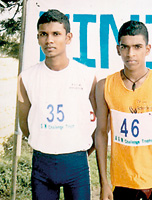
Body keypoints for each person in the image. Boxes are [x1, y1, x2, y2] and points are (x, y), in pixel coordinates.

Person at [18, 9, 97, 199]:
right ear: (37, 38)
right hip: (42, 162)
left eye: (56, 34)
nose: (49, 40)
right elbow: (25, 123)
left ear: (68, 38)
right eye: (43, 34)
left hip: (76, 161)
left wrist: (84, 150)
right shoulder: (26, 78)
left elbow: (100, 120)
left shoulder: (86, 75)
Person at [95, 20, 152, 200]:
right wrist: (104, 182)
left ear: (147, 49)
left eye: (137, 47)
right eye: (125, 47)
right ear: (118, 49)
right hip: (122, 182)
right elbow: (101, 133)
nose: (130, 53)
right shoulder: (105, 86)